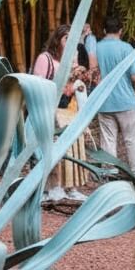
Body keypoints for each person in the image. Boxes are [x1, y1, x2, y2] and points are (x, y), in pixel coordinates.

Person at [33, 24, 90, 203]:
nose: (71, 42)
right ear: (57, 40)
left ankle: (71, 187)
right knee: (53, 150)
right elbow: (38, 86)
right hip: (52, 112)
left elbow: (78, 85)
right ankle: (51, 187)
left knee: (72, 150)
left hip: (71, 112)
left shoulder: (73, 59)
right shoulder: (45, 59)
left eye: (73, 39)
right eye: (67, 39)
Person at [94, 16, 135, 179]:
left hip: (104, 101)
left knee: (108, 139)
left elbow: (93, 73)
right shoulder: (126, 48)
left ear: (104, 31)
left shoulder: (96, 48)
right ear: (121, 31)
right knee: (131, 138)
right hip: (126, 101)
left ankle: (110, 171)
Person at [78, 23, 100, 88]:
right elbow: (92, 64)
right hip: (88, 77)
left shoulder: (72, 39)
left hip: (77, 76)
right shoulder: (90, 39)